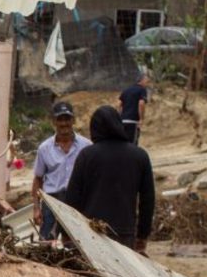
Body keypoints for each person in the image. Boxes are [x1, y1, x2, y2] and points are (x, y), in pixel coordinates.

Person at [65, 105, 155, 252]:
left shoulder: (86, 156)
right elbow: (148, 200)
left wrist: (67, 232)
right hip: (125, 233)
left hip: (91, 232)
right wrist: (143, 235)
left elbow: (72, 198)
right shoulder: (140, 156)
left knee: (92, 274)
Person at [32, 101, 91, 240]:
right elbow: (38, 179)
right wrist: (36, 208)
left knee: (77, 243)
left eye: (67, 119)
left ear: (73, 120)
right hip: (51, 201)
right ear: (54, 121)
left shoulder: (86, 146)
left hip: (77, 202)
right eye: (60, 119)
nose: (64, 123)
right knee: (46, 243)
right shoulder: (44, 148)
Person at [118, 72, 149, 145]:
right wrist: (141, 118)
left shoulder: (126, 90)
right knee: (132, 144)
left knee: (123, 143)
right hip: (133, 121)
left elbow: (119, 104)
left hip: (123, 121)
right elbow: (141, 103)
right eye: (147, 81)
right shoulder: (142, 90)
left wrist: (120, 116)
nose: (147, 84)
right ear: (142, 80)